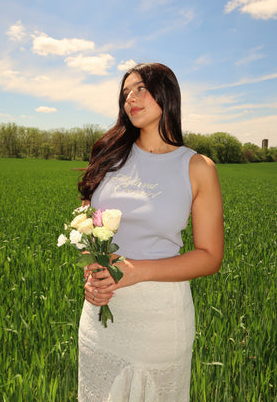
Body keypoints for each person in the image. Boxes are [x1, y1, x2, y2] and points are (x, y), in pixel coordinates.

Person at [77, 62, 224, 401]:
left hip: (160, 321)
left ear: (166, 92)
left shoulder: (197, 167)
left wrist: (136, 271)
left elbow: (210, 257)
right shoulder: (108, 156)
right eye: (126, 92)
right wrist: (92, 273)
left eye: (141, 88)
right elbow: (87, 227)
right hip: (102, 316)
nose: (131, 97)